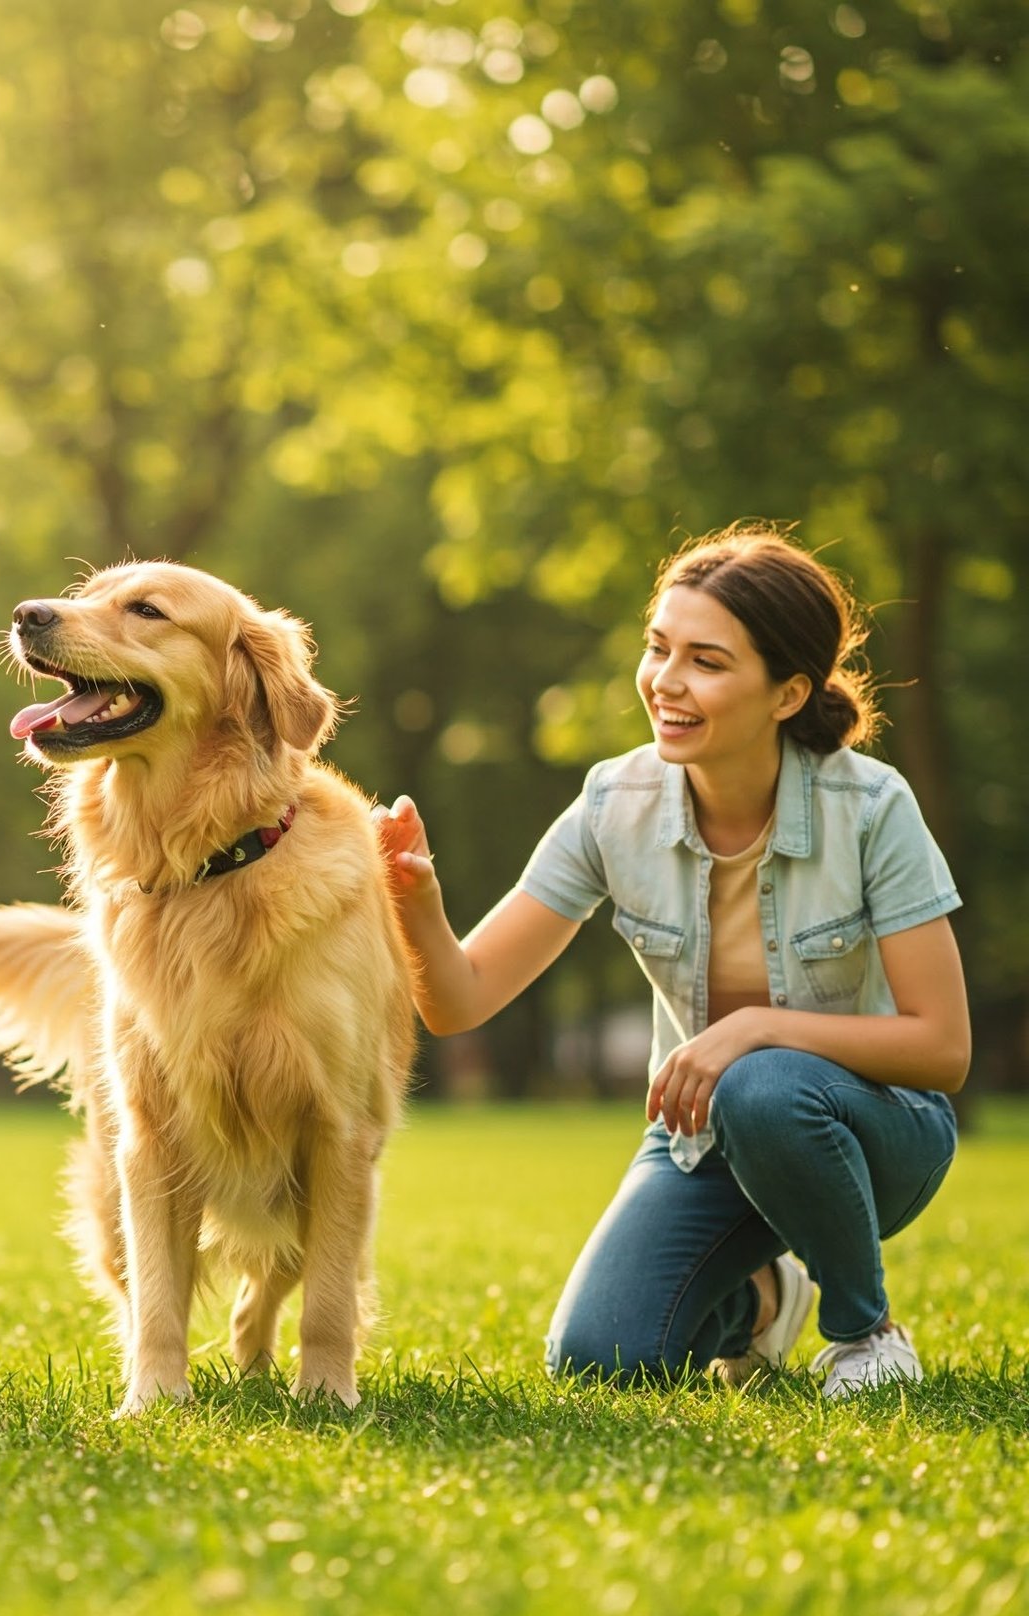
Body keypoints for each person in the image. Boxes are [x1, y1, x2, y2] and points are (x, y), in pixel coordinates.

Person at [377, 527, 969, 1397]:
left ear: (787, 692)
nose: (666, 682)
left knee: (761, 1083)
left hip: (878, 1129)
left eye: (707, 660)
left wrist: (756, 1029)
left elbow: (942, 1049)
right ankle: (765, 1300)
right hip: (700, 1141)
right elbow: (459, 1001)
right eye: (658, 649)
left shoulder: (870, 807)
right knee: (599, 1357)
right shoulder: (614, 805)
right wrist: (418, 907)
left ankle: (863, 1332)